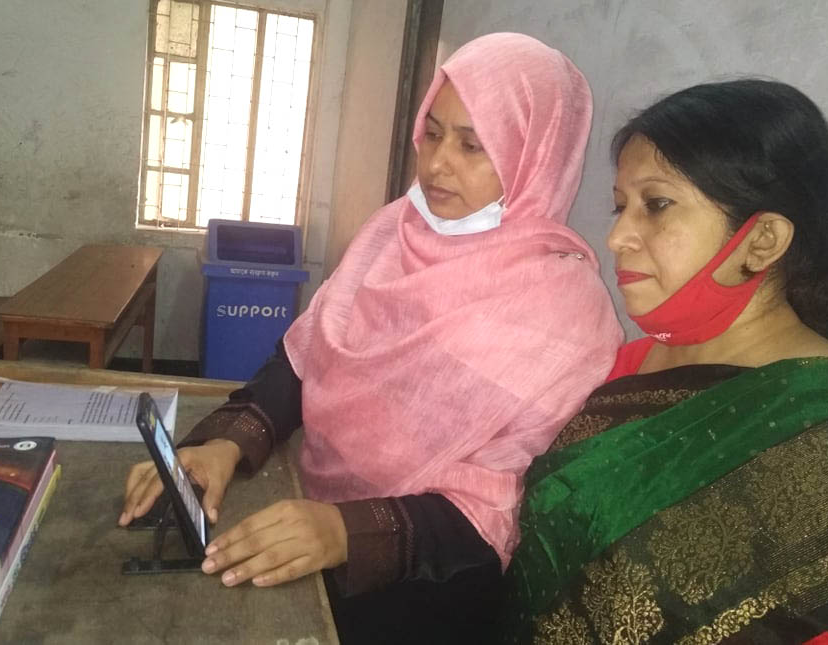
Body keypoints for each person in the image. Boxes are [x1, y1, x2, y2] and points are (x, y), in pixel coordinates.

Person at [121, 33, 622, 643]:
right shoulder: (392, 234)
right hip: (305, 509)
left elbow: (514, 500)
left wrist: (342, 531)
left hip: (426, 588)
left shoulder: (563, 311)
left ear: (535, 156)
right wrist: (226, 445)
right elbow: (305, 359)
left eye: (474, 146)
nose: (436, 163)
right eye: (432, 133)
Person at [500, 78, 828, 643]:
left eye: (656, 205)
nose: (617, 236)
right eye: (620, 206)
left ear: (762, 240)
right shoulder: (622, 366)